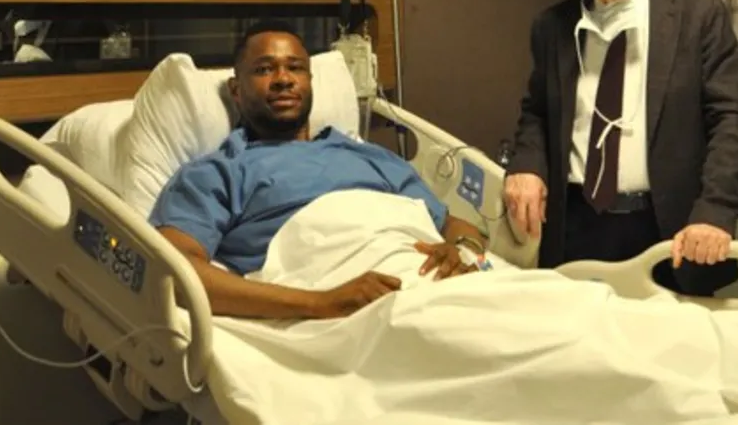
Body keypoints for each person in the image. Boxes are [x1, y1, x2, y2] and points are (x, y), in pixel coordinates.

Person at [503, 0, 738, 296]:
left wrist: (716, 210)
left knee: (674, 335)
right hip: (576, 225)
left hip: (669, 226)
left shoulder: (697, 16)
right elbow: (537, 112)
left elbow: (732, 121)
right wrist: (526, 166)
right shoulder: (552, 27)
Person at [150, 20, 487, 320]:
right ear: (236, 90)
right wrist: (320, 303)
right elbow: (174, 271)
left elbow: (451, 223)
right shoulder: (217, 173)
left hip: (431, 280)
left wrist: (462, 250)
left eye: (295, 68)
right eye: (265, 69)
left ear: (309, 81)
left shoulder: (370, 156)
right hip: (351, 303)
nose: (283, 79)